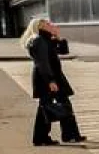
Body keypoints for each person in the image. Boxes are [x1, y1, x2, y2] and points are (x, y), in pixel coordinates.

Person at [24, 17, 85, 147]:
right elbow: (42, 63)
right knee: (46, 107)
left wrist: (57, 36)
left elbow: (63, 51)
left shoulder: (45, 39)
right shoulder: (38, 40)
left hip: (54, 77)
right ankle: (42, 138)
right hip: (47, 79)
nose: (50, 24)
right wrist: (50, 81)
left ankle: (69, 135)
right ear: (40, 26)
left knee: (61, 104)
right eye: (46, 23)